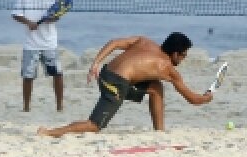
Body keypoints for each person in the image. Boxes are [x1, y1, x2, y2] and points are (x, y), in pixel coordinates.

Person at [37, 32, 213, 137]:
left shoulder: (144, 41)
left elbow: (114, 42)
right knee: (94, 125)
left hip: (105, 73)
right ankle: (49, 132)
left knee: (155, 87)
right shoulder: (167, 68)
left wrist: (96, 63)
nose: (183, 59)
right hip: (115, 85)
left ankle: (159, 132)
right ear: (175, 54)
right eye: (183, 55)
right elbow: (192, 99)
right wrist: (206, 97)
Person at [11, 0, 64, 112]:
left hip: (50, 43)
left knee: (57, 74)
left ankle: (59, 106)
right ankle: (26, 107)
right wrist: (28, 22)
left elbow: (58, 15)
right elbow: (16, 14)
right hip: (31, 44)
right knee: (28, 76)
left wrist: (53, 18)